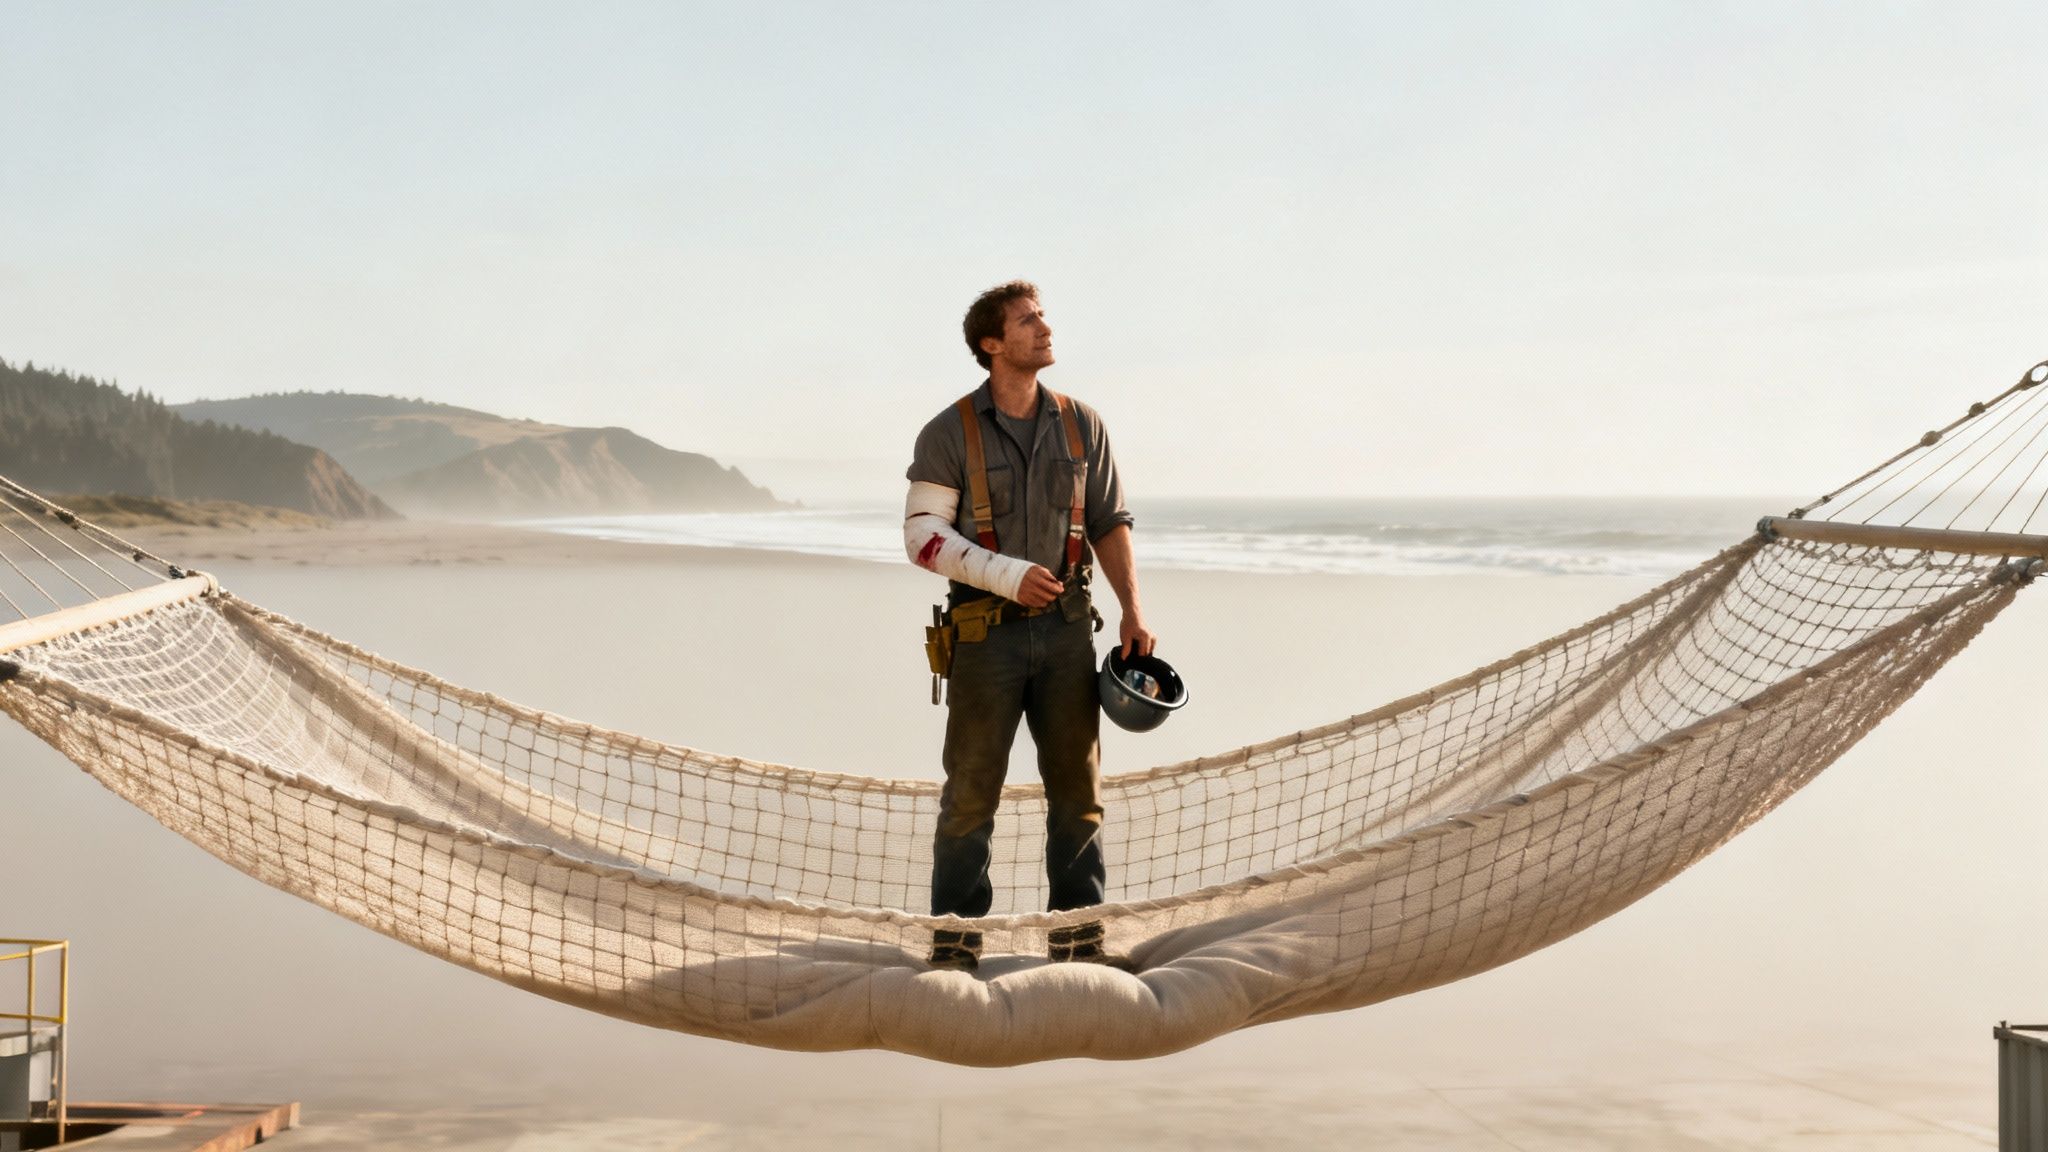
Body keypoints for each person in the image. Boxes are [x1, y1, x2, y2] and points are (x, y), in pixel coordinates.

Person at [902, 280, 1156, 972]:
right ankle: (954, 954)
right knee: (970, 797)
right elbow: (922, 538)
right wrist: (1007, 575)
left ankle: (1079, 948)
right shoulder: (947, 431)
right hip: (984, 641)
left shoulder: (1083, 425)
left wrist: (1132, 608)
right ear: (992, 344)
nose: (1044, 328)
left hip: (1072, 633)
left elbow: (1109, 523)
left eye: (1042, 317)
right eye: (1027, 320)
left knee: (1080, 796)